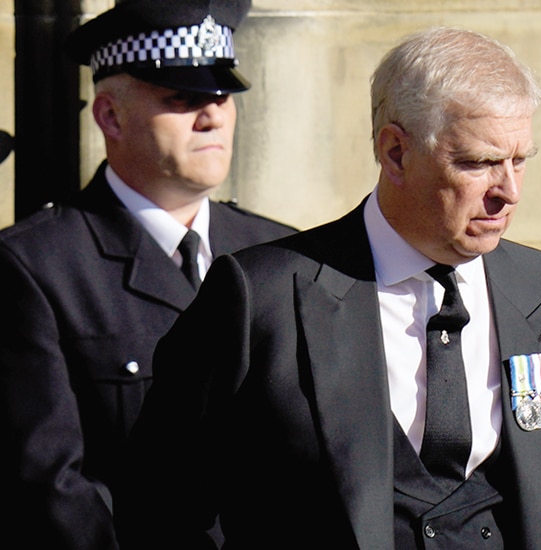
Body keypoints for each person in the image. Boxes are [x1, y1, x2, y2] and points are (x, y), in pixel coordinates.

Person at [115, 26, 541, 549]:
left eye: (520, 160)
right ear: (395, 153)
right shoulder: (261, 297)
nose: (508, 191)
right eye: (478, 163)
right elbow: (160, 505)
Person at [0, 1, 295, 548]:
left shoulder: (277, 250)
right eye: (181, 99)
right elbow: (50, 486)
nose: (211, 116)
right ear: (111, 116)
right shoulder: (35, 267)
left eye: (221, 96)